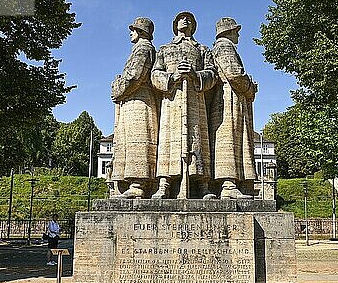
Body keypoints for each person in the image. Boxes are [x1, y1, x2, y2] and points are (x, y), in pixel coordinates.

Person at [150, 11, 217, 199]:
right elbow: (154, 75)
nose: (185, 20)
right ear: (175, 24)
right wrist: (172, 77)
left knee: (198, 140)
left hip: (196, 101)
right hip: (171, 102)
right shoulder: (164, 49)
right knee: (168, 143)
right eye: (181, 18)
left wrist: (196, 75)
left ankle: (203, 185)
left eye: (189, 19)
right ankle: (165, 183)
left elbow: (213, 74)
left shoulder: (202, 50)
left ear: (194, 25)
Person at [209, 17, 257, 199]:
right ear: (227, 31)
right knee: (229, 138)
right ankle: (228, 185)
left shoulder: (220, 47)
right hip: (229, 97)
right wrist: (250, 87)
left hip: (230, 95)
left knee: (234, 138)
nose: (238, 34)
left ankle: (233, 184)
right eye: (235, 30)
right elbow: (235, 74)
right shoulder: (224, 47)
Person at [110, 17, 159, 198]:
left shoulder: (143, 49)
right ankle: (130, 184)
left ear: (141, 32)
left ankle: (138, 184)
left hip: (139, 99)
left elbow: (134, 76)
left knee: (138, 142)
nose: (131, 33)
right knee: (129, 142)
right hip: (132, 99)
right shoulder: (139, 49)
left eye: (134, 30)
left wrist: (117, 88)